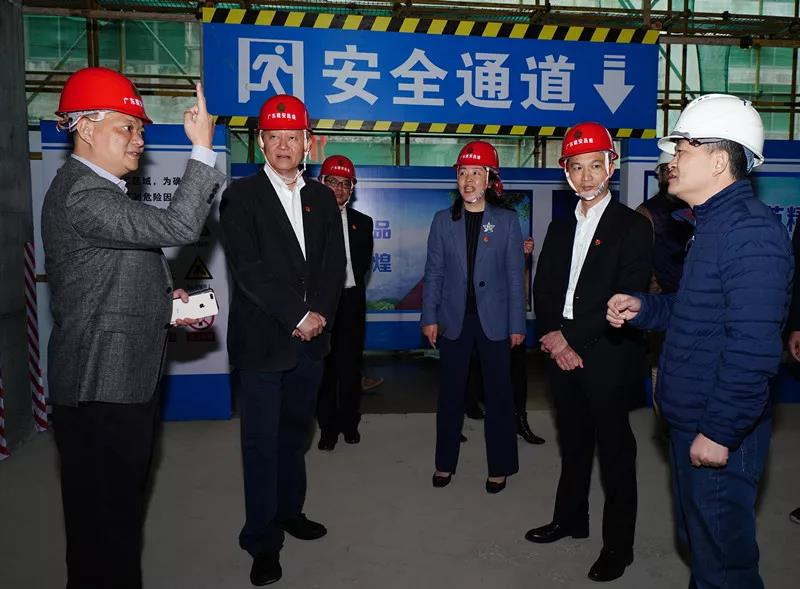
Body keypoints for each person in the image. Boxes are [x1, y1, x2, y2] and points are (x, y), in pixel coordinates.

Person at [42, 67, 223, 589]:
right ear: (85, 127)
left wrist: (165, 302)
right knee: (108, 529)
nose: (139, 140)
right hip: (102, 386)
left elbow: (106, 280)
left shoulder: (102, 191)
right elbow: (179, 226)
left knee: (110, 522)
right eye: (127, 127)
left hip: (117, 381)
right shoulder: (83, 193)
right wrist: (202, 149)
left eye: (139, 129)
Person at [607, 94, 793, 588]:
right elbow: (696, 311)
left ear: (717, 161)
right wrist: (644, 307)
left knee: (724, 567)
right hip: (694, 419)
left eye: (683, 148)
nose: (671, 160)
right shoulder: (713, 227)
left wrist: (720, 432)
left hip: (716, 426)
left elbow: (753, 350)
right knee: (703, 547)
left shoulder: (750, 235)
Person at [219, 94, 345, 586]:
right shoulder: (241, 197)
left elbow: (333, 265)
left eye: (293, 137)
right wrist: (298, 315)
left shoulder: (322, 198)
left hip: (311, 342)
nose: (284, 145)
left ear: (307, 142)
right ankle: (262, 539)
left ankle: (290, 512)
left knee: (295, 436)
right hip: (263, 343)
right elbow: (248, 269)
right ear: (261, 142)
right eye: (275, 137)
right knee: (261, 445)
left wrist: (320, 317)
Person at [526, 122, 652, 582]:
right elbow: (543, 287)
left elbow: (627, 293)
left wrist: (569, 340)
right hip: (562, 353)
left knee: (615, 452)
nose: (585, 176)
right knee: (573, 442)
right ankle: (570, 518)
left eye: (594, 166)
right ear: (566, 171)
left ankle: (619, 546)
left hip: (607, 355)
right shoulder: (560, 227)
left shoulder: (632, 227)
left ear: (611, 166)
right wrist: (551, 335)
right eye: (576, 167)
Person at [421, 140, 525, 494]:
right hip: (454, 321)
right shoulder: (442, 221)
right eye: (463, 173)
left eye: (476, 173)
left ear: (489, 179)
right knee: (450, 395)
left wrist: (517, 323)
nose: (468, 180)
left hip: (495, 321)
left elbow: (515, 277)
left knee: (499, 396)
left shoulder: (507, 222)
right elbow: (433, 272)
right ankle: (444, 462)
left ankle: (501, 466)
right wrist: (429, 316)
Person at [316, 155, 374, 451]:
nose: (339, 188)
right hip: (320, 306)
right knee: (324, 369)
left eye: (345, 183)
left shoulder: (363, 223)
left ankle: (350, 423)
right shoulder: (308, 221)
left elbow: (362, 266)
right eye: (333, 182)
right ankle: (327, 428)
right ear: (321, 183)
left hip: (351, 302)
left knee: (350, 368)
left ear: (352, 188)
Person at [515, 235, 545, 444]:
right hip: (478, 313)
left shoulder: (508, 224)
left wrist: (522, 256)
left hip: (510, 314)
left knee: (517, 372)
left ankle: (520, 421)